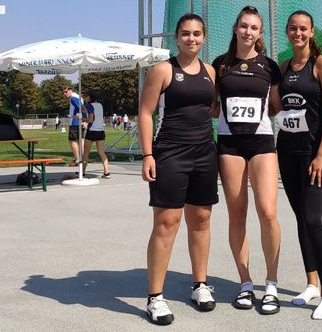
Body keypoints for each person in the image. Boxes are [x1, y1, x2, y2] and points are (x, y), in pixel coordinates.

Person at [139, 13, 218, 326]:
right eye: (186, 34)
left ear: (203, 36)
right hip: (170, 153)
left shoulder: (210, 71)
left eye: (197, 34)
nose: (192, 39)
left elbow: (210, 108)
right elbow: (145, 113)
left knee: (201, 218)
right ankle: (155, 297)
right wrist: (148, 154)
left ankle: (200, 285)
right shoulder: (162, 70)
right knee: (167, 222)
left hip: (204, 154)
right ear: (176, 37)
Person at [212, 5, 282, 315]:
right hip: (229, 146)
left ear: (259, 33)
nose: (248, 32)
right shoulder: (220, 65)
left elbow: (276, 106)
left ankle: (271, 283)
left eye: (254, 27)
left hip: (262, 143)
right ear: (236, 29)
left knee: (267, 212)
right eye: (244, 26)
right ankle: (245, 283)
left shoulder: (269, 66)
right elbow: (213, 106)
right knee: (236, 214)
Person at [275, 11, 322, 320]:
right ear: (287, 32)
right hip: (287, 153)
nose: (297, 33)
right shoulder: (284, 67)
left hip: (314, 157)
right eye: (292, 28)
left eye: (303, 29)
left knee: (313, 220)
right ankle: (311, 282)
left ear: (312, 32)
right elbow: (276, 107)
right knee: (300, 219)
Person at [81, 91, 110, 178]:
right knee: (102, 152)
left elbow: (90, 120)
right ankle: (106, 172)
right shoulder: (100, 105)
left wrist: (81, 118)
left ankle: (82, 172)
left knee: (86, 152)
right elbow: (95, 114)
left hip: (92, 131)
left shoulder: (90, 106)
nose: (84, 99)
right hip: (100, 131)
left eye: (85, 97)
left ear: (89, 97)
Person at [63, 87, 86, 167]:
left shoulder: (73, 98)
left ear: (70, 90)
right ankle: (83, 160)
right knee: (81, 141)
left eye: (66, 92)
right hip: (79, 122)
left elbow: (82, 108)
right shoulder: (78, 96)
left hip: (75, 123)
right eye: (64, 92)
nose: (65, 94)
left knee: (72, 140)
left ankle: (78, 160)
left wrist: (85, 120)